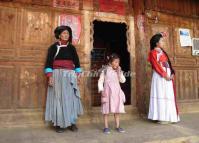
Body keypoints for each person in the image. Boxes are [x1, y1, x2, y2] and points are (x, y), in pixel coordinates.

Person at [44, 25, 83, 133]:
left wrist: (78, 75)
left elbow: (77, 63)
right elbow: (48, 63)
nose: (66, 35)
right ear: (59, 35)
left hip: (70, 76)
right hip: (57, 75)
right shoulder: (53, 47)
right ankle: (59, 124)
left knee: (71, 99)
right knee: (58, 99)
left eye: (67, 33)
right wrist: (50, 77)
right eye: (64, 33)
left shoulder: (72, 48)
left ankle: (71, 122)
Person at [148, 33, 180, 124]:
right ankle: (162, 117)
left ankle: (169, 116)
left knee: (168, 95)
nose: (163, 42)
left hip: (168, 76)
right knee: (161, 94)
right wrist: (165, 75)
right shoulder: (153, 53)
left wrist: (172, 73)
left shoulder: (163, 52)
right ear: (156, 43)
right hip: (160, 77)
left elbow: (168, 63)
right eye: (161, 40)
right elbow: (156, 66)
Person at [98, 53, 126, 134]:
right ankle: (106, 127)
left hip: (116, 92)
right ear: (110, 62)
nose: (117, 64)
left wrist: (119, 72)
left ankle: (118, 126)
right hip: (107, 92)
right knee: (106, 110)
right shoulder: (105, 70)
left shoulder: (118, 70)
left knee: (117, 110)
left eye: (118, 62)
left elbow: (123, 80)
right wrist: (101, 90)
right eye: (116, 62)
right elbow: (100, 81)